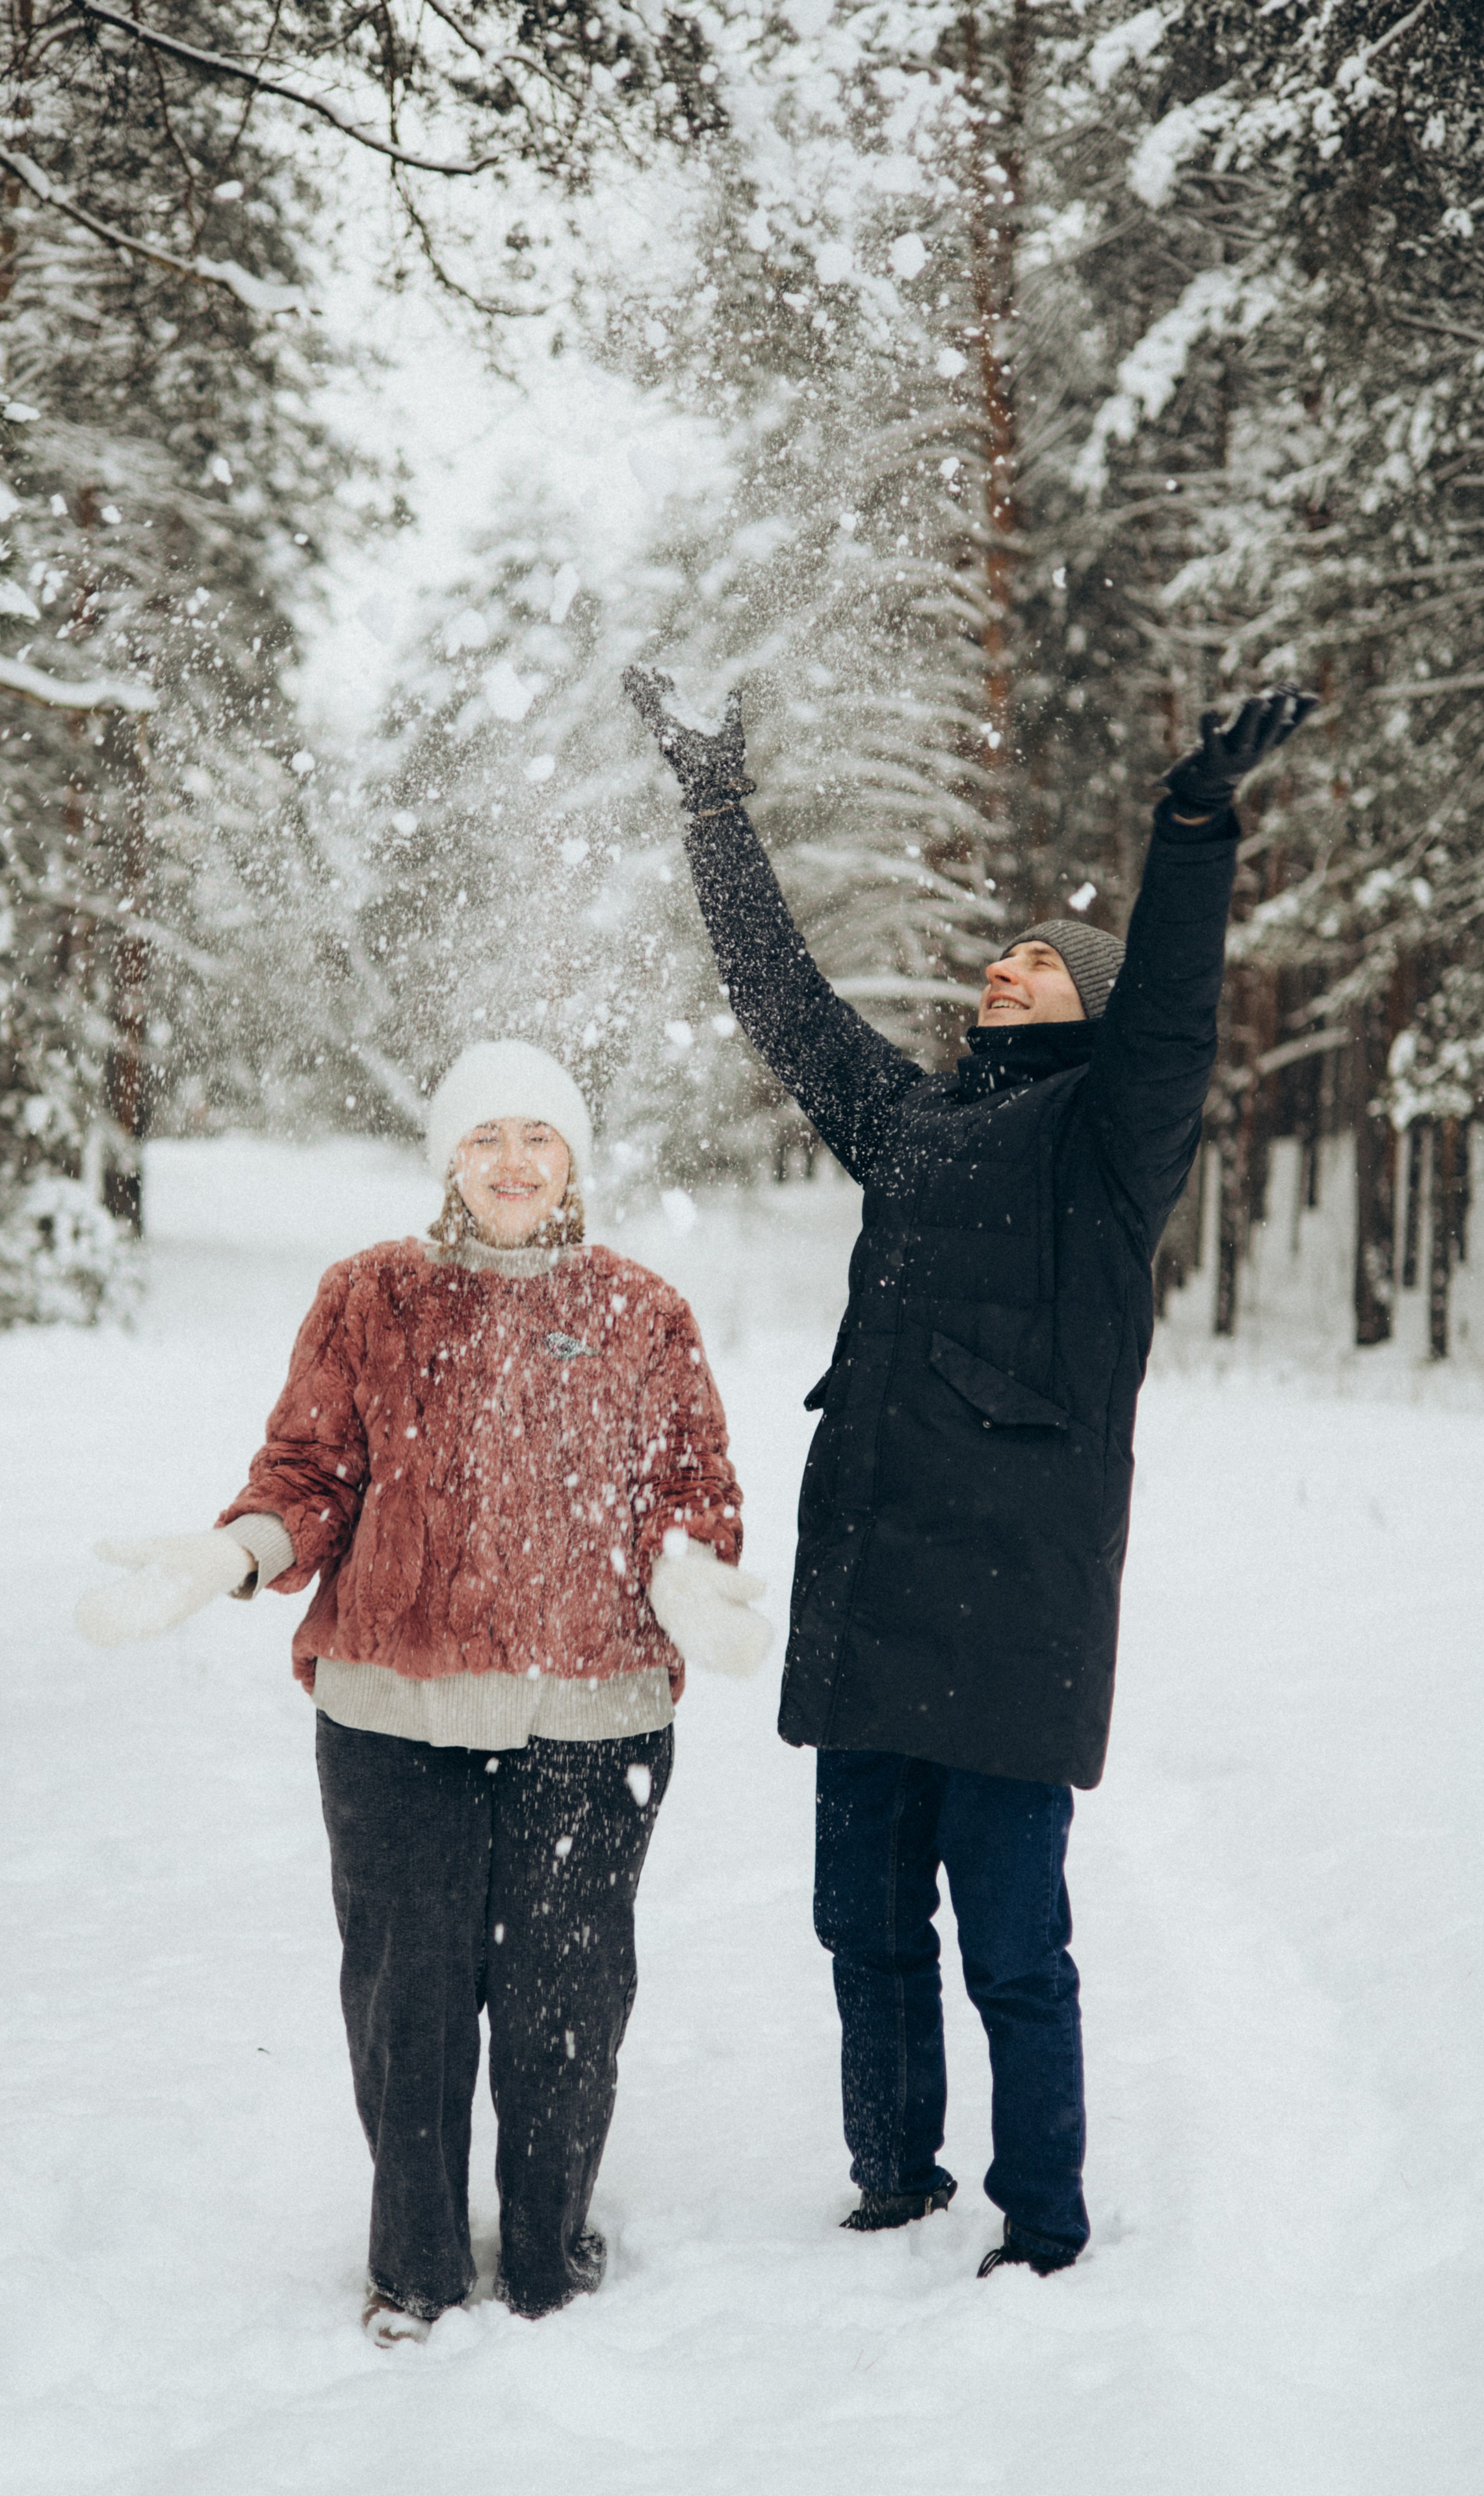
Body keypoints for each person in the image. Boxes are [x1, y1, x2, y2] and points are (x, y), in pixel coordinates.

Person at [625, 669, 1316, 2278]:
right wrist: (716, 807)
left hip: (1011, 1612)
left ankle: (1046, 2221)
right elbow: (781, 1005)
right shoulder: (913, 1121)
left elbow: (1174, 1011)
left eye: (1038, 961)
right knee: (860, 1926)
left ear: (1083, 1004)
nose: (1002, 965)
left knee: (1012, 1946)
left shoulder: (1107, 1146)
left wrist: (1193, 819)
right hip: (873, 1591)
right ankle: (891, 2176)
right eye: (994, 957)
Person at [77, 1039, 770, 2340]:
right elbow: (310, 1475)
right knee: (406, 2005)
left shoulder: (643, 1312)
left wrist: (686, 1576)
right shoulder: (370, 1298)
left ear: (573, 1160)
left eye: (540, 1137)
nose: (513, 1161)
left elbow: (694, 1494)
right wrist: (234, 1552)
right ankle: (416, 2273)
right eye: (486, 1137)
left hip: (590, 1718)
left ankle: (551, 2255)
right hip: (393, 1719)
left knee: (567, 2006)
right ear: (447, 1157)